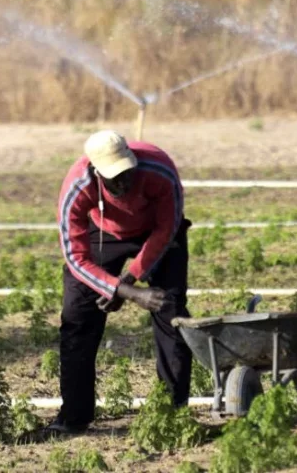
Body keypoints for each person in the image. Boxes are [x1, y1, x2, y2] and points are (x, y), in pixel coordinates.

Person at [48, 130, 192, 436]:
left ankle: (172, 411)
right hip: (105, 232)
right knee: (78, 316)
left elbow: (167, 230)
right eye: (114, 178)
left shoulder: (160, 171)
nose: (124, 183)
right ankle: (74, 416)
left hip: (155, 231)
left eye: (127, 173)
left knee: (171, 309)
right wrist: (117, 289)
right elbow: (76, 259)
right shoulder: (77, 187)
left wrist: (127, 281)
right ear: (96, 172)